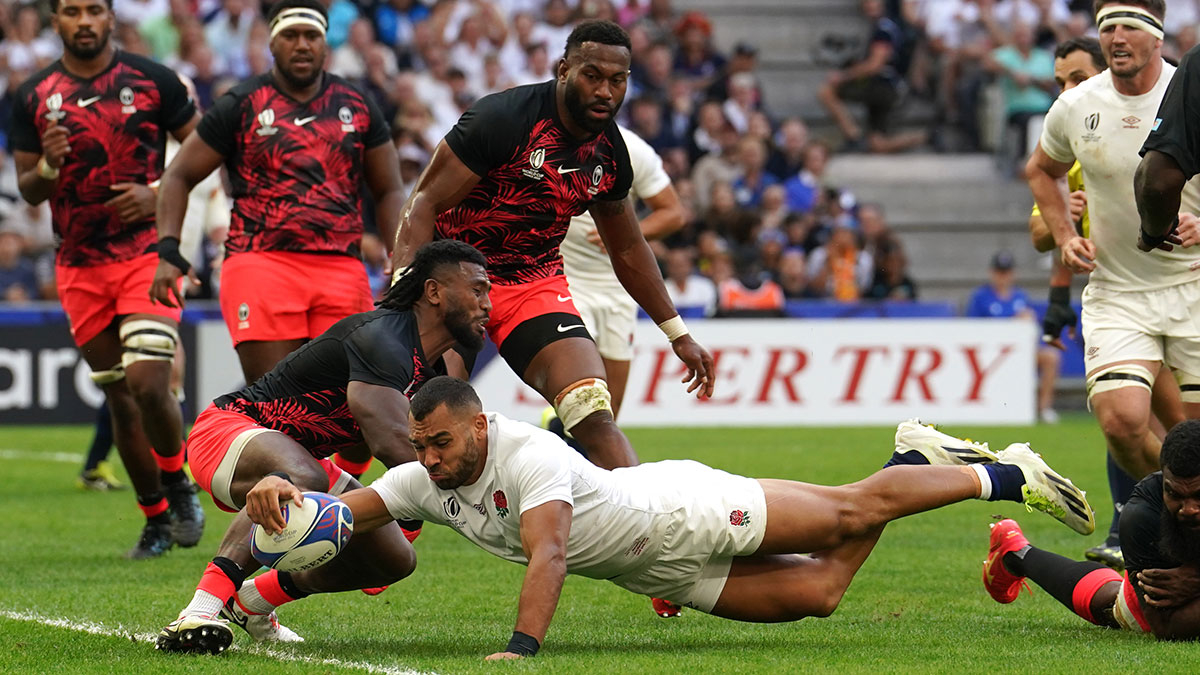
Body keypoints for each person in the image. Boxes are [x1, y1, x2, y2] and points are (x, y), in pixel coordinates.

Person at [244, 375, 1095, 660]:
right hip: (656, 566)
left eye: (438, 443)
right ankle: (913, 455)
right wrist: (287, 502)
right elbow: (342, 516)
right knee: (825, 590)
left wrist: (522, 649)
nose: (426, 460)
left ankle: (1001, 473)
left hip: (686, 510)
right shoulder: (425, 476)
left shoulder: (526, 456)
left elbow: (548, 555)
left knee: (849, 510)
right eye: (419, 448)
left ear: (477, 424)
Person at [390, 19, 715, 472]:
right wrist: (401, 295)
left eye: (617, 80)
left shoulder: (611, 154)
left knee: (593, 410)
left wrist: (677, 333)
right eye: (593, 75)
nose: (605, 91)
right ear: (564, 70)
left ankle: (646, 523)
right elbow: (423, 203)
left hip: (532, 281)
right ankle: (365, 513)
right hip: (452, 279)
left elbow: (627, 249)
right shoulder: (502, 119)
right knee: (433, 418)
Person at [154, 240, 490, 655]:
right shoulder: (383, 337)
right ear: (434, 291)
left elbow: (442, 443)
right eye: (477, 290)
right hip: (229, 429)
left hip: (302, 460)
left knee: (392, 561)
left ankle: (252, 603)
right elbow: (389, 439)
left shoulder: (448, 361)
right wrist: (478, 495)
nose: (487, 304)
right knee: (305, 478)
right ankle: (199, 610)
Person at [8, 0, 204, 559]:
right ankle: (155, 518)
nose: (85, 20)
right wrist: (47, 165)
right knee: (119, 396)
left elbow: (203, 148)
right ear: (56, 22)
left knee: (148, 382)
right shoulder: (33, 95)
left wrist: (159, 189)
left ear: (111, 17)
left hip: (146, 255)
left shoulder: (153, 81)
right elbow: (29, 188)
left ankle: (177, 483)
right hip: (79, 264)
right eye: (72, 11)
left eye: (95, 9)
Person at [149, 0, 405, 388]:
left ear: (325, 44)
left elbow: (389, 189)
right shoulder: (241, 103)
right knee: (280, 399)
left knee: (356, 408)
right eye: (290, 35)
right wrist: (169, 249)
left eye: (311, 36)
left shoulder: (357, 105)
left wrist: (400, 257)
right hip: (261, 263)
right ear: (272, 43)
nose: (301, 45)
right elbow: (179, 175)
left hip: (339, 264)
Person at [1026, 0, 1198, 544]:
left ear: (1156, 34)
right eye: (1107, 28)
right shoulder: (1077, 105)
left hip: (1194, 286)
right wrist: (1065, 235)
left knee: (1192, 438)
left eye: (1128, 27)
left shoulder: (1189, 95)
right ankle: (1174, 526)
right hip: (1118, 291)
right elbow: (1042, 170)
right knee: (1122, 421)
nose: (1116, 38)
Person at [981, 419, 1200, 639]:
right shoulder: (1142, 513)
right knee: (1120, 607)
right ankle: (1017, 554)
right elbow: (1167, 627)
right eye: (1174, 495)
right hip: (1166, 595)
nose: (1188, 509)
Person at [558, 124, 684, 420]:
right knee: (578, 380)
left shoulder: (632, 150)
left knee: (611, 408)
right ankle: (557, 429)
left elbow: (673, 213)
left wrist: (623, 233)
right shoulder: (547, 138)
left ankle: (577, 445)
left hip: (618, 284)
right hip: (563, 278)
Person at [964, 251, 1061, 424]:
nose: (1003, 277)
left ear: (1013, 274)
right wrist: (1010, 323)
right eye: (1000, 272)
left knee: (1051, 357)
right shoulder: (981, 297)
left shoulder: (1020, 296)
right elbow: (973, 329)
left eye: (1006, 272)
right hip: (989, 353)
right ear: (992, 273)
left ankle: (1044, 408)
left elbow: (1032, 328)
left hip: (1018, 352)